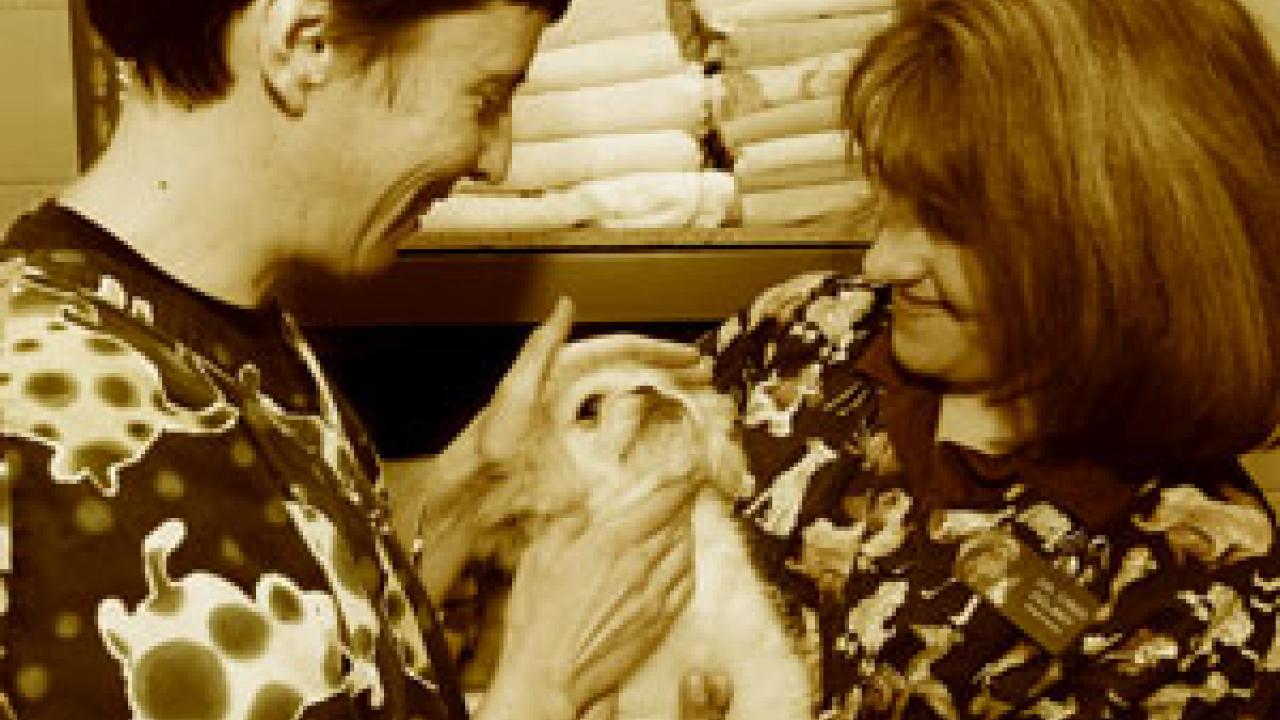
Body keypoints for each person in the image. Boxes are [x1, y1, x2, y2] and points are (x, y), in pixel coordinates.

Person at [0, 1, 724, 718]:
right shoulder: (68, 437)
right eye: (486, 99)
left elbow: (327, 652)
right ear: (303, 45)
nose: (496, 161)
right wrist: (544, 685)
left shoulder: (220, 328)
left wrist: (471, 487)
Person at [703, 0, 1280, 716]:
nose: (880, 263)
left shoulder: (1202, 587)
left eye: (947, 225)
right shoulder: (804, 331)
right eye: (890, 204)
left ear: (1126, 246)